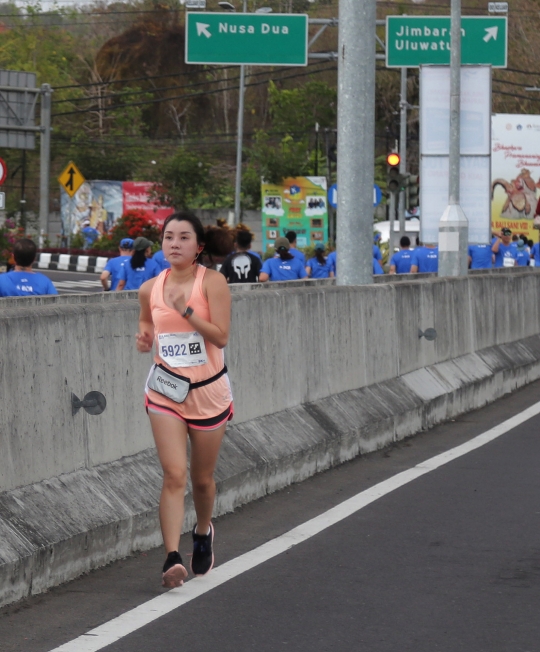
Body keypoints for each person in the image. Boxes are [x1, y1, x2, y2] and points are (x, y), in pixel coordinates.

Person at [136, 211, 233, 588]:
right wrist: (144, 337)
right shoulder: (150, 287)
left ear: (198, 246)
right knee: (174, 474)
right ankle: (172, 557)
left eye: (183, 238)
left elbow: (221, 337)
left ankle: (203, 530)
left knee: (201, 479)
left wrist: (186, 310)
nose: (174, 244)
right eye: (168, 237)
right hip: (165, 390)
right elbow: (146, 321)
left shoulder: (213, 282)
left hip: (208, 391)